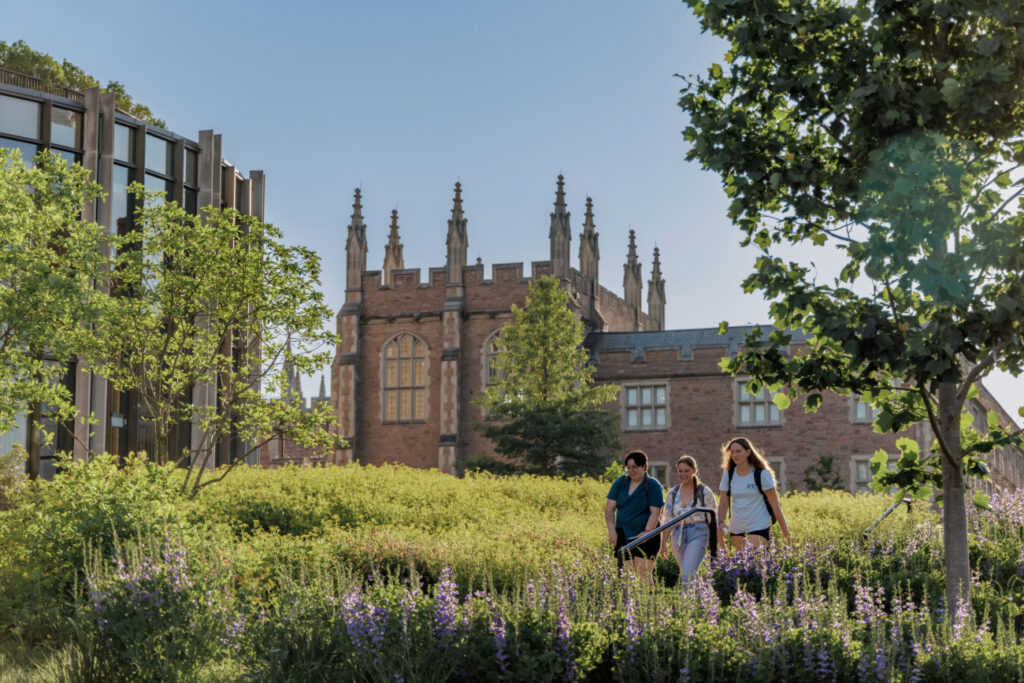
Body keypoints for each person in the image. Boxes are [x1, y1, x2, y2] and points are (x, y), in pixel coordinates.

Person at [715, 437, 791, 551]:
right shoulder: (728, 476)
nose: (735, 455)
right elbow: (723, 505)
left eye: (738, 451)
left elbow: (776, 506)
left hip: (759, 526)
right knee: (743, 566)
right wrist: (720, 523)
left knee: (752, 560)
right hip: (736, 529)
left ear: (748, 452)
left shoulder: (761, 475)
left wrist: (787, 536)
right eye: (732, 452)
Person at [605, 450, 664, 585]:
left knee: (643, 573)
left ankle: (648, 604)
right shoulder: (621, 482)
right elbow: (609, 509)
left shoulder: (653, 485)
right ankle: (628, 604)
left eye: (635, 467)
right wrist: (612, 530)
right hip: (622, 534)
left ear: (644, 467)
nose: (631, 470)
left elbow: (655, 512)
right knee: (624, 574)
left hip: (646, 535)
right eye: (628, 467)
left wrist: (647, 533)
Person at [660, 455, 716, 588]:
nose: (683, 474)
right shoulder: (672, 494)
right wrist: (664, 544)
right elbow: (667, 519)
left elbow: (714, 517)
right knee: (689, 574)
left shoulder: (704, 491)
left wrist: (715, 541)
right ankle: (705, 600)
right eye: (680, 471)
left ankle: (686, 607)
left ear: (694, 470)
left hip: (698, 533)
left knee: (687, 576)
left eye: (686, 471)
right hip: (678, 535)